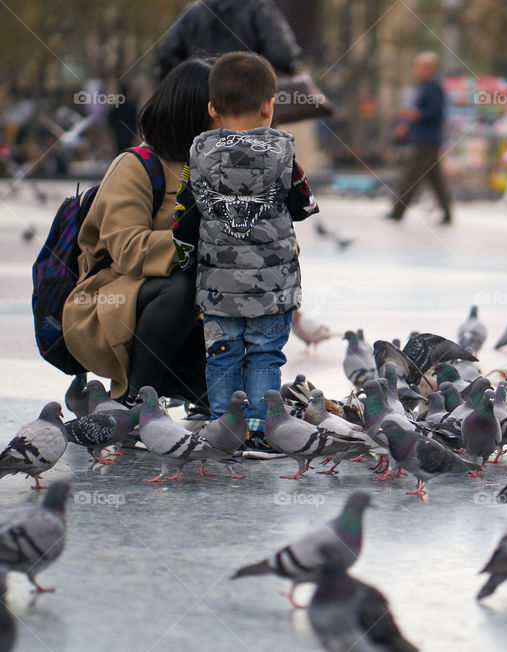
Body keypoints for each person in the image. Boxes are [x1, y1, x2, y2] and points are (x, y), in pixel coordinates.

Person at [171, 52, 318, 438]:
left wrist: (187, 257)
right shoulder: (284, 154)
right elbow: (303, 205)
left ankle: (225, 426)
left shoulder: (197, 155)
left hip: (218, 288)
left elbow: (183, 215)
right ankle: (260, 424)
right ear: (269, 106)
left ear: (212, 109)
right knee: (264, 355)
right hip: (271, 287)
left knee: (222, 355)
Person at [63, 60, 214, 405]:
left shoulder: (221, 167)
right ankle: (134, 402)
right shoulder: (137, 166)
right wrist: (202, 244)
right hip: (110, 303)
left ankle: (199, 392)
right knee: (182, 284)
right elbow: (128, 249)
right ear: (196, 113)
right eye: (223, 111)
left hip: (194, 315)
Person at [155, 0, 301, 80]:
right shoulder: (260, 9)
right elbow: (284, 55)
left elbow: (166, 55)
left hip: (198, 111)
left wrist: (191, 83)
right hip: (249, 107)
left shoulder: (193, 11)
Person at [386, 52, 452, 225]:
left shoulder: (434, 86)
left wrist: (415, 115)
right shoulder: (425, 86)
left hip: (427, 140)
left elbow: (435, 112)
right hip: (424, 137)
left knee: (411, 175)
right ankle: (447, 214)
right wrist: (407, 125)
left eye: (419, 67)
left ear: (429, 69)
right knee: (435, 178)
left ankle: (397, 212)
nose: (416, 71)